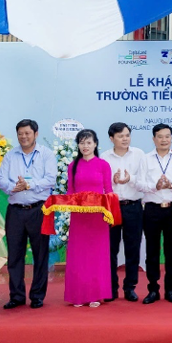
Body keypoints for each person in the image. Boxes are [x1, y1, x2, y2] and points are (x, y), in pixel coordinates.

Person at [0, 119, 57, 309]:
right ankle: (16, 296)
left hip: (39, 209)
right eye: (20, 134)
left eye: (27, 133)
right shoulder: (10, 155)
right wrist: (13, 187)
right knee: (15, 255)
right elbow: (1, 178)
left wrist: (29, 184)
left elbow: (50, 179)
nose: (23, 137)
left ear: (36, 134)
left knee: (40, 255)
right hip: (15, 211)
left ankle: (37, 296)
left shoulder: (46, 155)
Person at [64, 129, 113, 308]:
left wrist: (108, 213)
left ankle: (95, 294)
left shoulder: (103, 165)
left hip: (98, 218)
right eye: (82, 142)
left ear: (95, 144)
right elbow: (70, 192)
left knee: (96, 256)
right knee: (78, 256)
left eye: (89, 142)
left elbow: (109, 191)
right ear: (78, 145)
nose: (85, 146)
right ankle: (78, 295)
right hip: (78, 217)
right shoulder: (73, 166)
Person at [139, 124, 172, 304]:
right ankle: (153, 289)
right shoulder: (145, 159)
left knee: (171, 251)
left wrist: (171, 185)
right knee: (152, 251)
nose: (164, 140)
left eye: (167, 136)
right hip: (151, 209)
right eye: (160, 136)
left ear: (171, 138)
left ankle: (170, 289)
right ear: (154, 139)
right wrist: (155, 186)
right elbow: (140, 184)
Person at [101, 122, 145, 302]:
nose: (125, 139)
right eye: (120, 136)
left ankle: (130, 287)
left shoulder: (139, 155)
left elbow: (144, 182)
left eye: (127, 135)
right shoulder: (104, 157)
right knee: (110, 249)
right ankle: (111, 288)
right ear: (111, 139)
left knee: (132, 248)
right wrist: (111, 181)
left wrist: (130, 179)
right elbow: (101, 184)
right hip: (111, 207)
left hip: (133, 206)